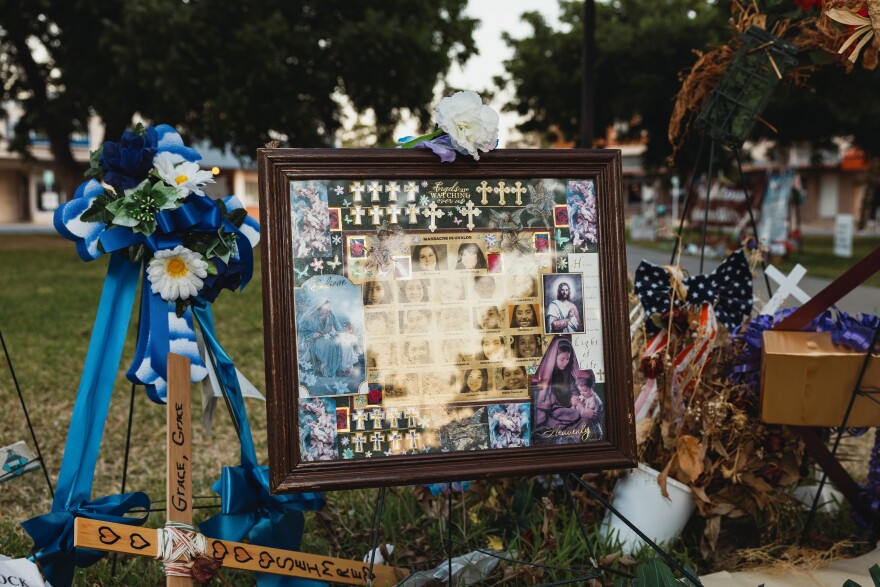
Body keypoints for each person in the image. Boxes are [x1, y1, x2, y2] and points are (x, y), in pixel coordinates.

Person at [532, 337, 591, 444]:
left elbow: (574, 392)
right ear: (554, 358)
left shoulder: (569, 374)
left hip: (569, 411)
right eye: (562, 359)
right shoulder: (547, 377)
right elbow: (546, 404)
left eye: (568, 359)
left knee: (585, 419)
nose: (566, 363)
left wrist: (575, 400)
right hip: (554, 415)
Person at [299, 299, 344, 378]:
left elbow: (338, 327)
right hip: (315, 340)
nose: (329, 310)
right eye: (326, 309)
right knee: (327, 345)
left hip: (328, 337)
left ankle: (333, 370)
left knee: (337, 343)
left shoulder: (330, 315)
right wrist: (312, 334)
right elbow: (302, 330)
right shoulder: (311, 317)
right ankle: (325, 370)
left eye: (329, 308)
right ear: (318, 309)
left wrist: (340, 333)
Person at [570, 369, 604, 440]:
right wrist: (574, 404)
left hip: (592, 430)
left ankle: (576, 437)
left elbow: (587, 415)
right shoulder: (582, 396)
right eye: (580, 391)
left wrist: (579, 404)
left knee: (585, 420)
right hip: (581, 427)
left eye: (585, 391)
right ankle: (572, 436)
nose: (582, 393)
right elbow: (573, 412)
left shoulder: (594, 400)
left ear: (592, 387)